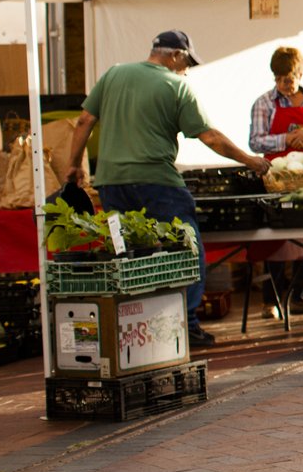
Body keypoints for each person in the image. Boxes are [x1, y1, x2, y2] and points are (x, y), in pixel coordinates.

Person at [64, 30, 268, 348]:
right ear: (174, 55)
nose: (186, 68)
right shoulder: (176, 85)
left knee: (130, 253)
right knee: (186, 248)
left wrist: (74, 165)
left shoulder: (113, 74)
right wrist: (249, 160)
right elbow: (209, 137)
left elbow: (84, 120)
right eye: (186, 61)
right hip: (156, 182)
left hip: (111, 183)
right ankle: (187, 323)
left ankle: (135, 325)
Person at [247, 46, 303, 317]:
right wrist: (286, 139)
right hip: (277, 178)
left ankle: (300, 295)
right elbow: (255, 141)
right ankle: (270, 300)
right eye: (280, 77)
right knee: (276, 239)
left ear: (300, 73)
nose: (285, 83)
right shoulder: (264, 103)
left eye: (290, 77)